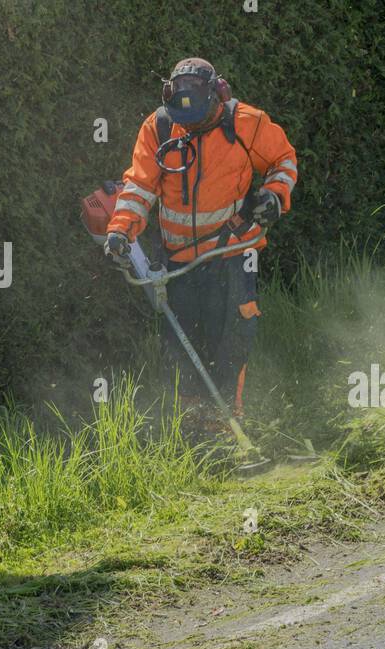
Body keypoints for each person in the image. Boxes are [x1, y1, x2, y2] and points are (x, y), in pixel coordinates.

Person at [104, 57, 298, 421]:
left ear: (218, 95)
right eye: (182, 118)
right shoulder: (160, 127)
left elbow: (284, 161)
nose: (187, 125)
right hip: (179, 261)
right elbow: (139, 187)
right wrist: (120, 231)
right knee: (183, 346)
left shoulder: (247, 124)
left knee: (231, 338)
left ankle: (228, 421)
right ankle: (195, 428)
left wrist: (274, 195)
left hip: (233, 251)